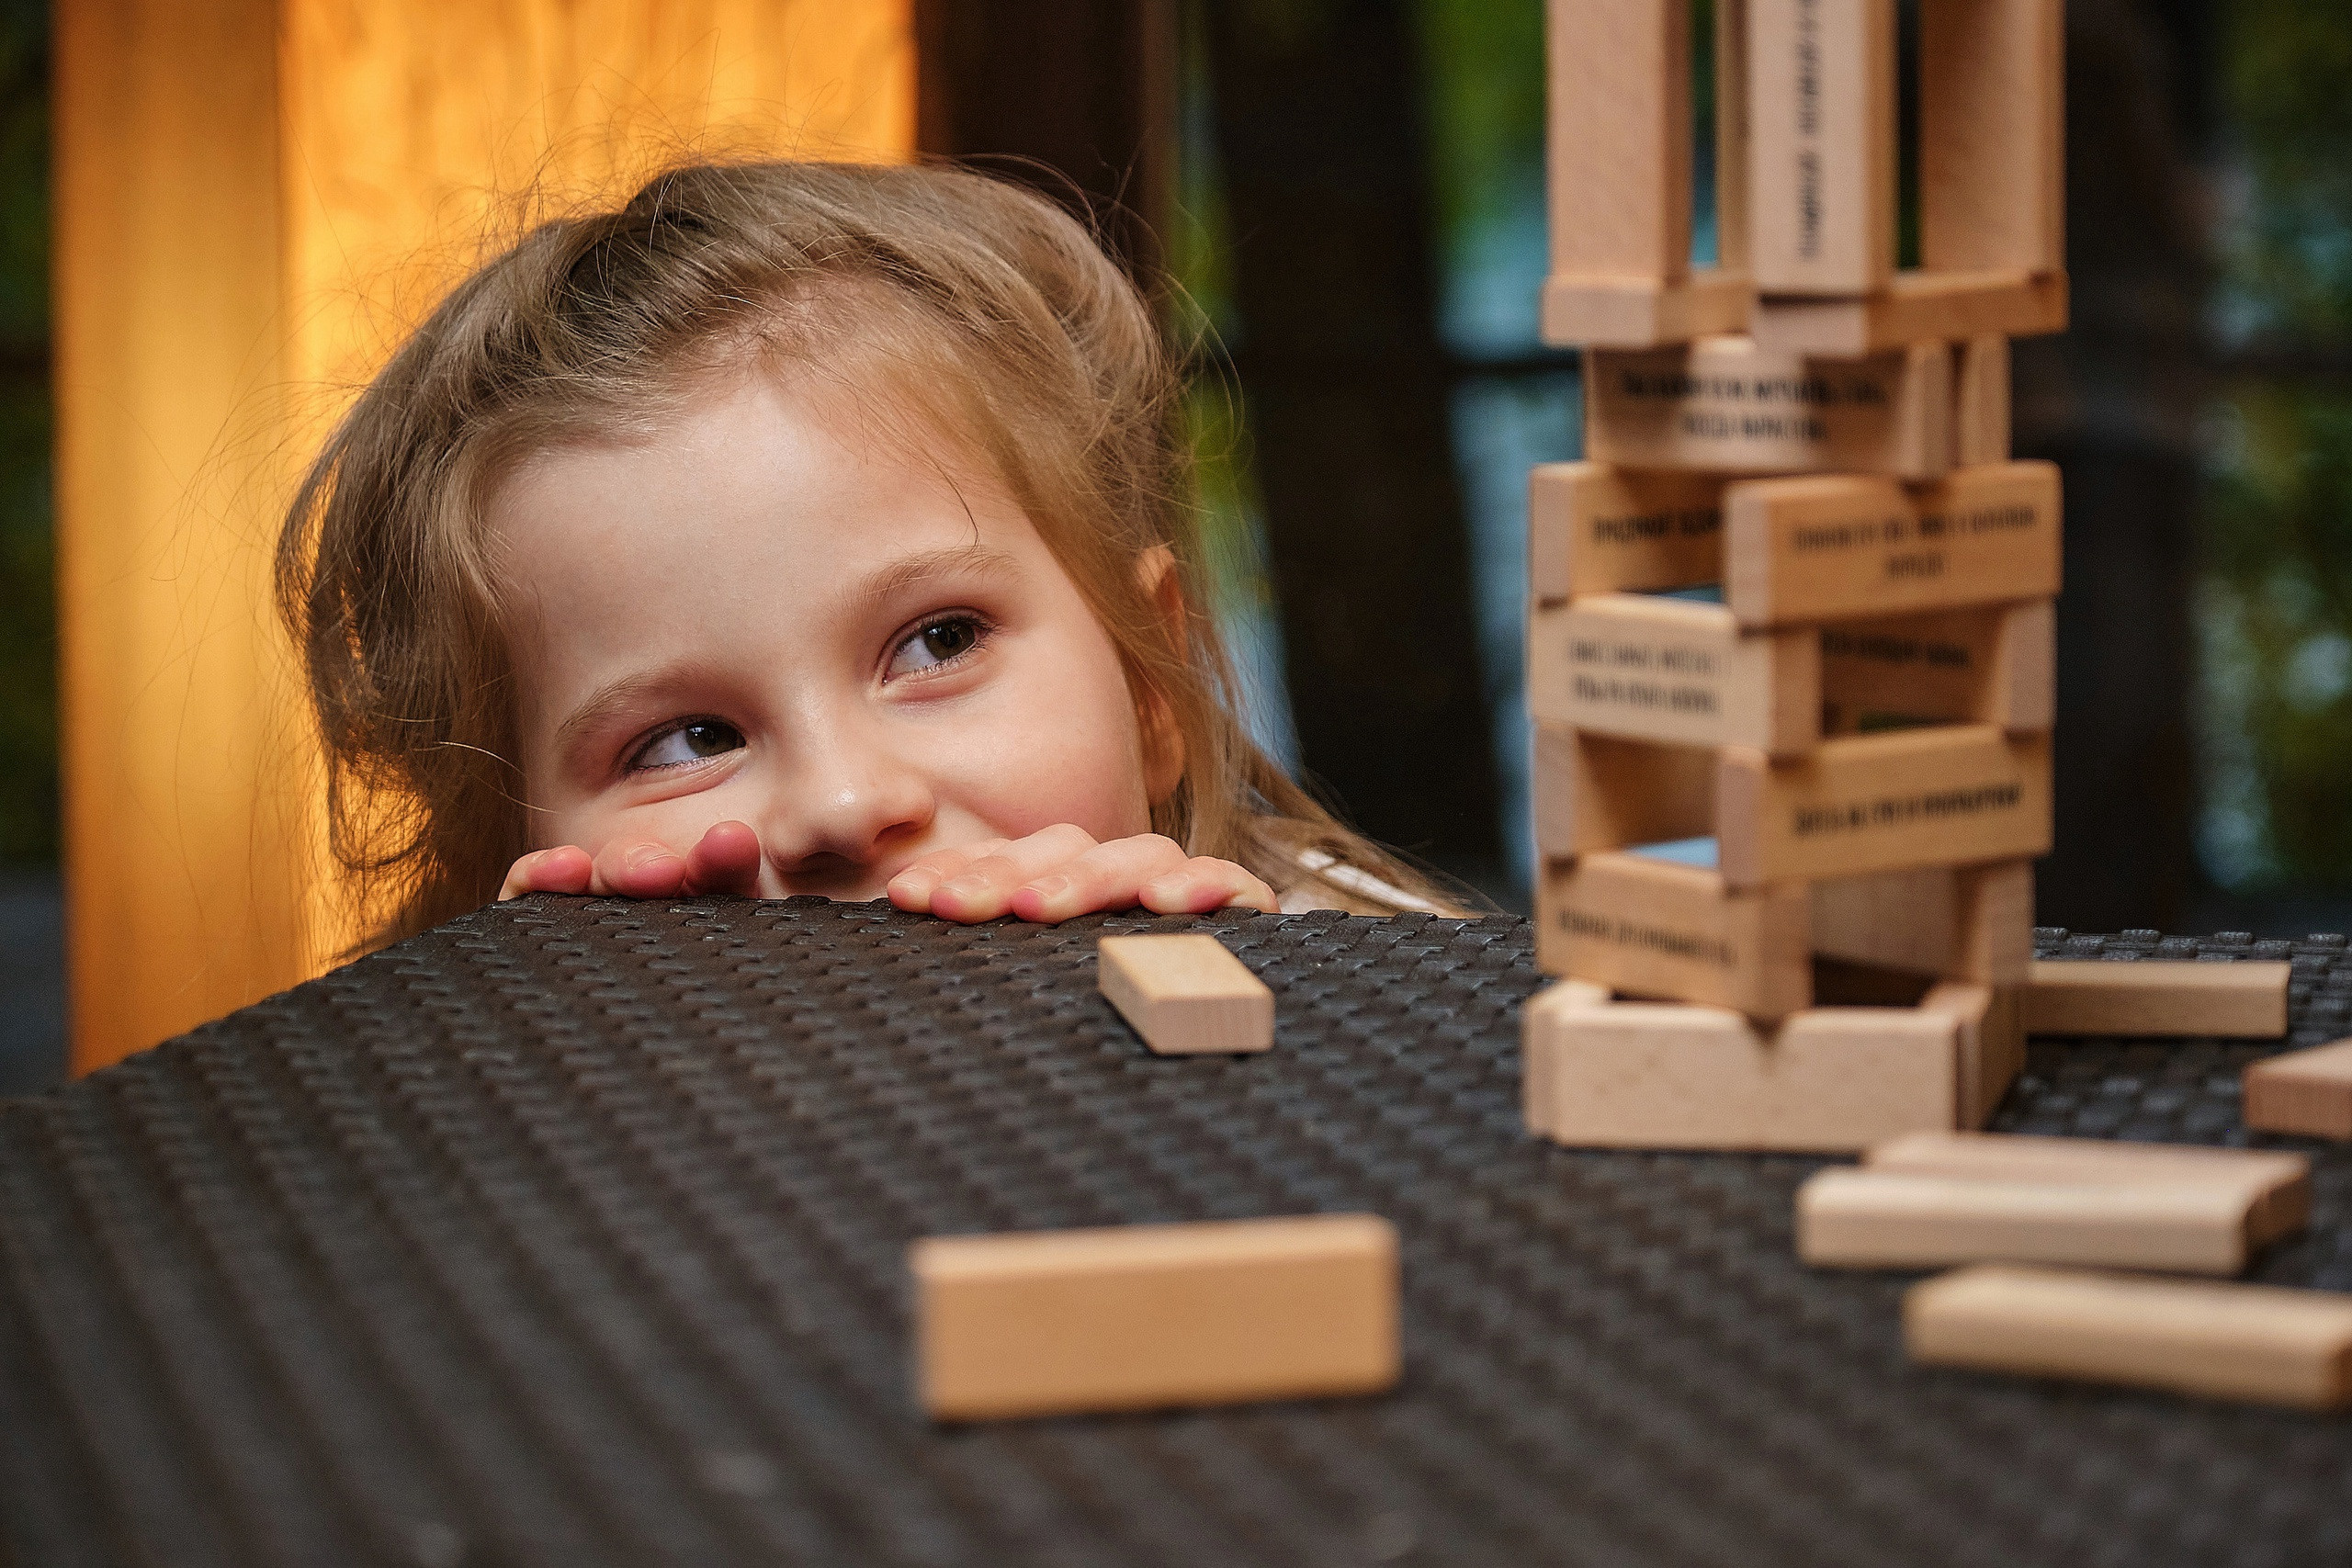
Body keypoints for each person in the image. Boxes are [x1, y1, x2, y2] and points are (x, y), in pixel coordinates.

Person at [277, 159, 1460, 952]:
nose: (842, 806)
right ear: (519, 849)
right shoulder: (500, 1128)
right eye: (686, 741)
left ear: (1150, 685)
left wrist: (1275, 1013)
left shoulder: (1368, 961)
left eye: (938, 642)